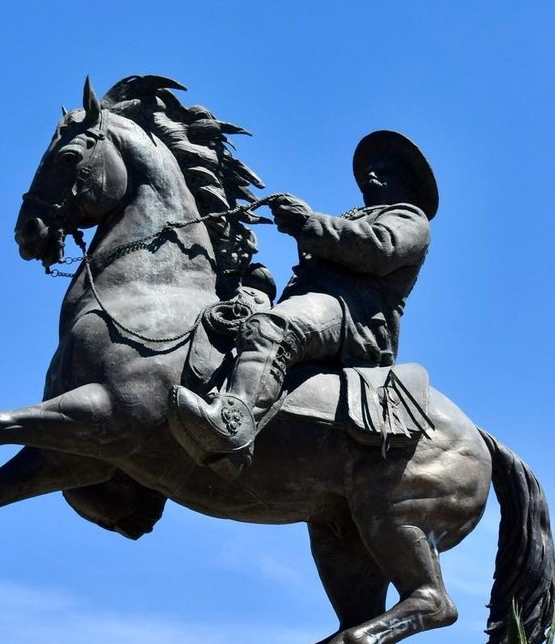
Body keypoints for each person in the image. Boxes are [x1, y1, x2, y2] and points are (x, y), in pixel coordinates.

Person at [171, 129, 438, 471]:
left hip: (353, 316)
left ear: (407, 185)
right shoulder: (353, 216)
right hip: (323, 304)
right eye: (371, 170)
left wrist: (307, 223)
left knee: (271, 328)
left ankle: (232, 425)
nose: (370, 176)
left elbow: (379, 249)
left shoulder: (408, 218)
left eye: (384, 172)